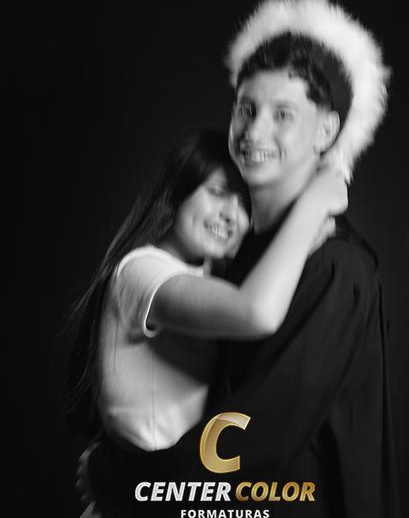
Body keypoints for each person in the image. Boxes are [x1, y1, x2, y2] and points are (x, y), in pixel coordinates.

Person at [82, 0, 402, 518]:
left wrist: (125, 478)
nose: (254, 131)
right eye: (246, 109)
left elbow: (255, 440)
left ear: (327, 130)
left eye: (283, 115)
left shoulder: (338, 268)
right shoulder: (243, 259)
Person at [66, 129, 346, 513]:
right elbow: (256, 312)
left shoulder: (212, 276)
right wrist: (314, 202)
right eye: (217, 193)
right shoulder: (141, 270)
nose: (231, 214)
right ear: (177, 193)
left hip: (172, 493)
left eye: (244, 203)